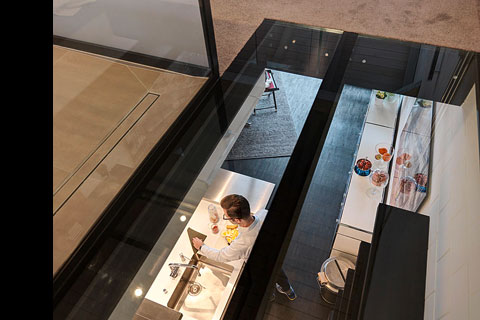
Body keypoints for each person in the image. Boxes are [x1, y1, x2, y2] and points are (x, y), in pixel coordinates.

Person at [192, 194, 297, 301]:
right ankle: (289, 291)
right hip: (274, 256)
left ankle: (269, 297)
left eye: (226, 217)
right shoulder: (263, 213)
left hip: (258, 266)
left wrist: (201, 247)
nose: (226, 218)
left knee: (263, 283)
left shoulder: (242, 243)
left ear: (237, 220)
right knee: (279, 274)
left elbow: (220, 256)